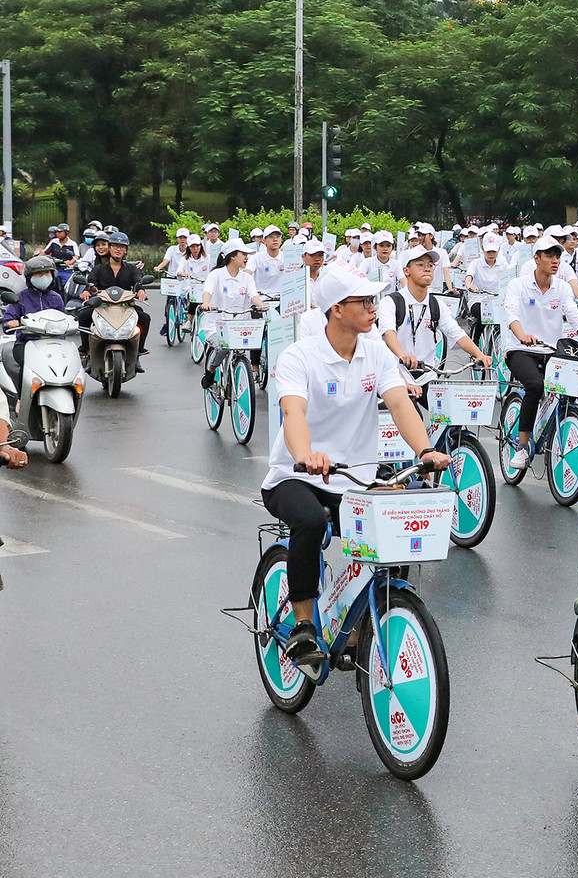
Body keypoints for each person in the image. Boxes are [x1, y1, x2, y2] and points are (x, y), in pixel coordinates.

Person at [261, 263, 450, 663]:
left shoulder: (376, 353)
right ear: (336, 310)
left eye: (372, 300)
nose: (372, 308)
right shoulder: (300, 356)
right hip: (294, 476)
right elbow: (293, 413)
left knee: (395, 527)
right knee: (310, 522)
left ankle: (366, 622)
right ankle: (304, 626)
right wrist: (305, 456)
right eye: (362, 301)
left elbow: (400, 403)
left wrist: (425, 450)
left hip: (353, 478)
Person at [501, 235, 578, 470]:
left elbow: (575, 317)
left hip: (551, 351)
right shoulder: (517, 285)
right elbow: (511, 314)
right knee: (534, 385)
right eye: (549, 255)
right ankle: (522, 447)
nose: (555, 260)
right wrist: (521, 334)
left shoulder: (561, 288)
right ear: (537, 258)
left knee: (571, 385)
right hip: (521, 349)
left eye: (558, 256)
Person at [379, 245, 492, 381]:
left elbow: (456, 332)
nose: (427, 268)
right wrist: (403, 356)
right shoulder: (391, 302)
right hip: (397, 376)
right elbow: (388, 332)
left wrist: (479, 354)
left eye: (430, 265)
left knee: (447, 401)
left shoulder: (437, 305)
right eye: (420, 264)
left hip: (428, 375)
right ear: (406, 271)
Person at [199, 240, 265, 389]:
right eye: (243, 254)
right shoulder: (216, 275)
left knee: (250, 342)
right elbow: (207, 291)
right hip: (216, 325)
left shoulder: (247, 278)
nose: (246, 257)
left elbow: (253, 296)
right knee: (224, 345)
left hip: (239, 325)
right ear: (233, 256)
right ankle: (211, 370)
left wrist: (261, 306)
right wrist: (206, 303)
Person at [78, 232, 150, 366]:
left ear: (126, 250)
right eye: (115, 246)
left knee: (144, 318)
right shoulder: (98, 269)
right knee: (83, 315)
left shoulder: (131, 269)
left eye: (122, 247)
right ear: (109, 248)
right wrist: (87, 292)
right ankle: (86, 349)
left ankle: (138, 351)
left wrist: (140, 291)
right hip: (103, 306)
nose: (118, 249)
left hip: (125, 306)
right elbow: (91, 284)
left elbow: (137, 283)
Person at [3, 257, 67, 396]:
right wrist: (11, 323)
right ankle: (22, 398)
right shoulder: (20, 298)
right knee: (27, 367)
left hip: (54, 344)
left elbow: (64, 319)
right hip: (26, 343)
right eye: (38, 274)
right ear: (29, 277)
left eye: (47, 273)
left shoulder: (56, 298)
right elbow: (8, 322)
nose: (44, 277)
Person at [161, 235, 210, 337]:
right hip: (190, 287)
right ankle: (189, 321)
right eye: (192, 247)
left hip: (205, 287)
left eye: (197, 246)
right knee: (194, 297)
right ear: (189, 248)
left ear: (200, 246)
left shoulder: (207, 258)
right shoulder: (185, 259)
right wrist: (182, 273)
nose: (195, 249)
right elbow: (179, 270)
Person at [463, 234, 511, 337]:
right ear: (483, 249)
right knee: (485, 314)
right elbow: (469, 276)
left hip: (497, 300)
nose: (491, 254)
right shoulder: (475, 263)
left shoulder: (503, 264)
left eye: (494, 251)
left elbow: (511, 278)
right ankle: (475, 340)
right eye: (488, 251)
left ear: (498, 250)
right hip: (478, 299)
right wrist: (469, 286)